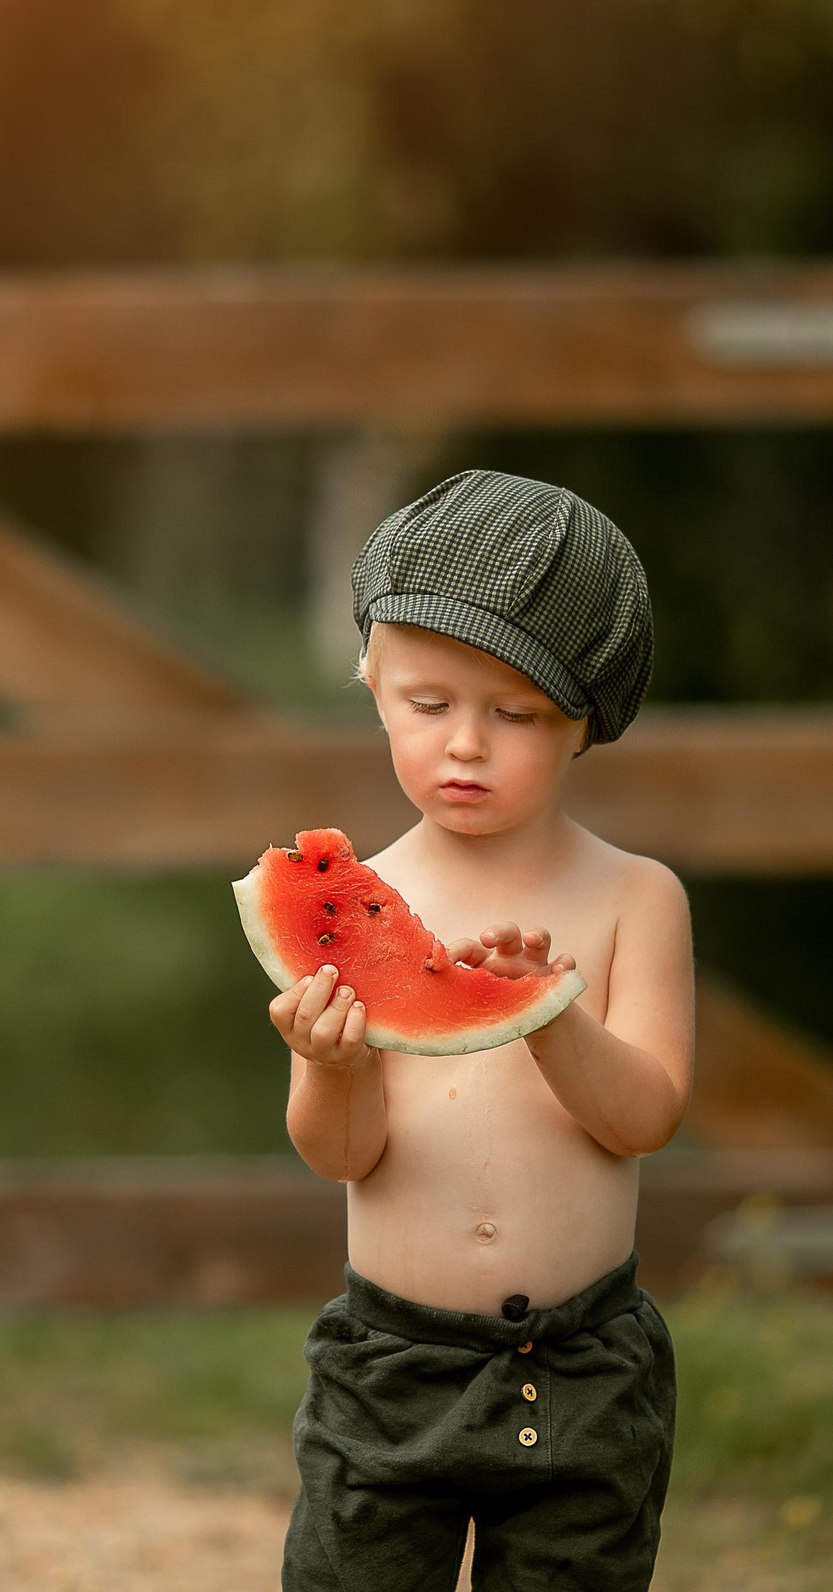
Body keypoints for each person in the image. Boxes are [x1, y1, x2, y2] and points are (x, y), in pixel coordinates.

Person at [267, 468, 694, 1592]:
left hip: (583, 1367)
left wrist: (549, 1018)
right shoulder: (352, 904)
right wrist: (332, 1065)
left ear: (586, 719)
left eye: (513, 715)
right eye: (427, 705)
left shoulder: (633, 898)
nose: (465, 744)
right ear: (369, 684)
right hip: (386, 1365)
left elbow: (644, 1115)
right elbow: (342, 1156)